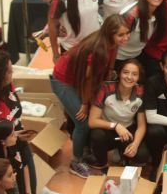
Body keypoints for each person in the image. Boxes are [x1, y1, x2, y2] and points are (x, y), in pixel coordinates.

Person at [50, 15, 130, 178]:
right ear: (110, 34)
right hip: (62, 80)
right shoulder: (99, 51)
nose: (126, 38)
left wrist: (109, 72)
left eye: (127, 33)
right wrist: (85, 104)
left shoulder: (111, 44)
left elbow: (112, 56)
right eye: (121, 35)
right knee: (82, 123)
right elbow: (89, 80)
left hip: (76, 78)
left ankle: (84, 150)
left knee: (81, 119)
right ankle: (76, 161)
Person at [0, 50, 38, 194]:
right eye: (9, 71)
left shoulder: (8, 86)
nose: (13, 73)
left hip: (21, 145)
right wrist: (12, 138)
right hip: (4, 156)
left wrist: (19, 135)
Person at [88, 59, 151, 173]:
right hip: (107, 129)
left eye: (134, 74)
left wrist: (135, 144)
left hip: (128, 130)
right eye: (125, 72)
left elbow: (141, 126)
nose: (129, 77)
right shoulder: (105, 88)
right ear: (119, 73)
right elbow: (92, 121)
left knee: (142, 156)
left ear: (138, 77)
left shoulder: (140, 92)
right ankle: (102, 162)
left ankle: (122, 153)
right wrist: (115, 126)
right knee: (97, 135)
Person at [116, 0, 167, 75]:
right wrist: (110, 67)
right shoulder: (131, 15)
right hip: (119, 58)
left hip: (138, 56)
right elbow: (112, 41)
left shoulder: (159, 13)